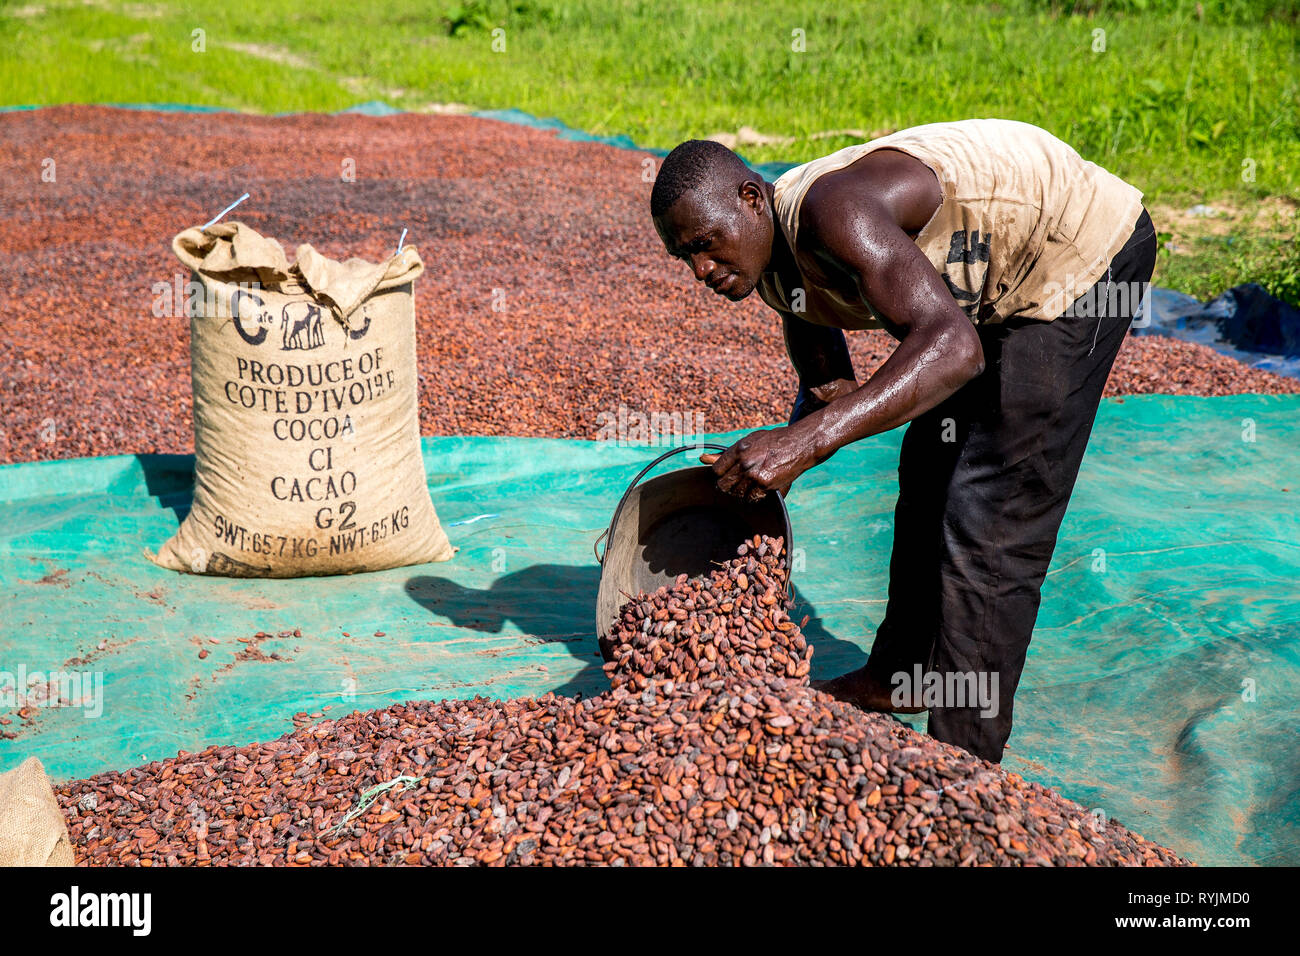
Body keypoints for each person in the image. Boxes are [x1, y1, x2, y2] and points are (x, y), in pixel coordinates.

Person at [649, 119, 1157, 763]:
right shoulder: (769, 268)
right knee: (928, 471)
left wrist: (804, 443)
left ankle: (964, 763)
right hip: (987, 289)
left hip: (1076, 249)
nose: (700, 269)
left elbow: (953, 349)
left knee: (991, 515)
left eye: (706, 243)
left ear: (752, 199)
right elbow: (829, 393)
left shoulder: (835, 214)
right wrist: (772, 464)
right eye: (684, 257)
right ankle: (901, 676)